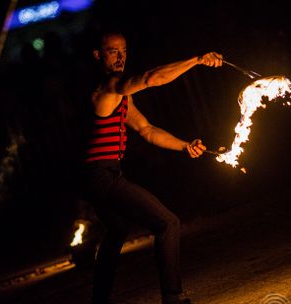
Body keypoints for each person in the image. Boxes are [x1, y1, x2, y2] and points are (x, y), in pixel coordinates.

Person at [80, 29, 223, 304]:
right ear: (98, 56)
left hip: (100, 174)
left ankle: (99, 300)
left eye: (124, 50)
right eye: (113, 51)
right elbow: (150, 78)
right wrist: (197, 60)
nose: (121, 57)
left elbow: (147, 129)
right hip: (101, 176)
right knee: (167, 222)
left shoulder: (120, 95)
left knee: (117, 231)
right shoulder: (107, 89)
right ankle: (172, 297)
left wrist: (184, 145)